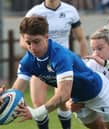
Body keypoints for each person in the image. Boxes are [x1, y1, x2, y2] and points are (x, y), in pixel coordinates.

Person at [2, 16, 109, 129]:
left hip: (98, 92)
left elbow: (63, 95)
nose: (32, 47)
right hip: (78, 99)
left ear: (46, 37)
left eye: (36, 41)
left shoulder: (60, 56)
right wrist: (6, 98)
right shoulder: (27, 61)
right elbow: (17, 90)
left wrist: (36, 112)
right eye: (28, 42)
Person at [20, 0, 88, 129]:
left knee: (62, 101)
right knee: (38, 104)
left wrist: (85, 63)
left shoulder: (70, 11)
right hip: (40, 63)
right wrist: (39, 47)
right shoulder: (34, 12)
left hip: (62, 64)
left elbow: (81, 39)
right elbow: (23, 41)